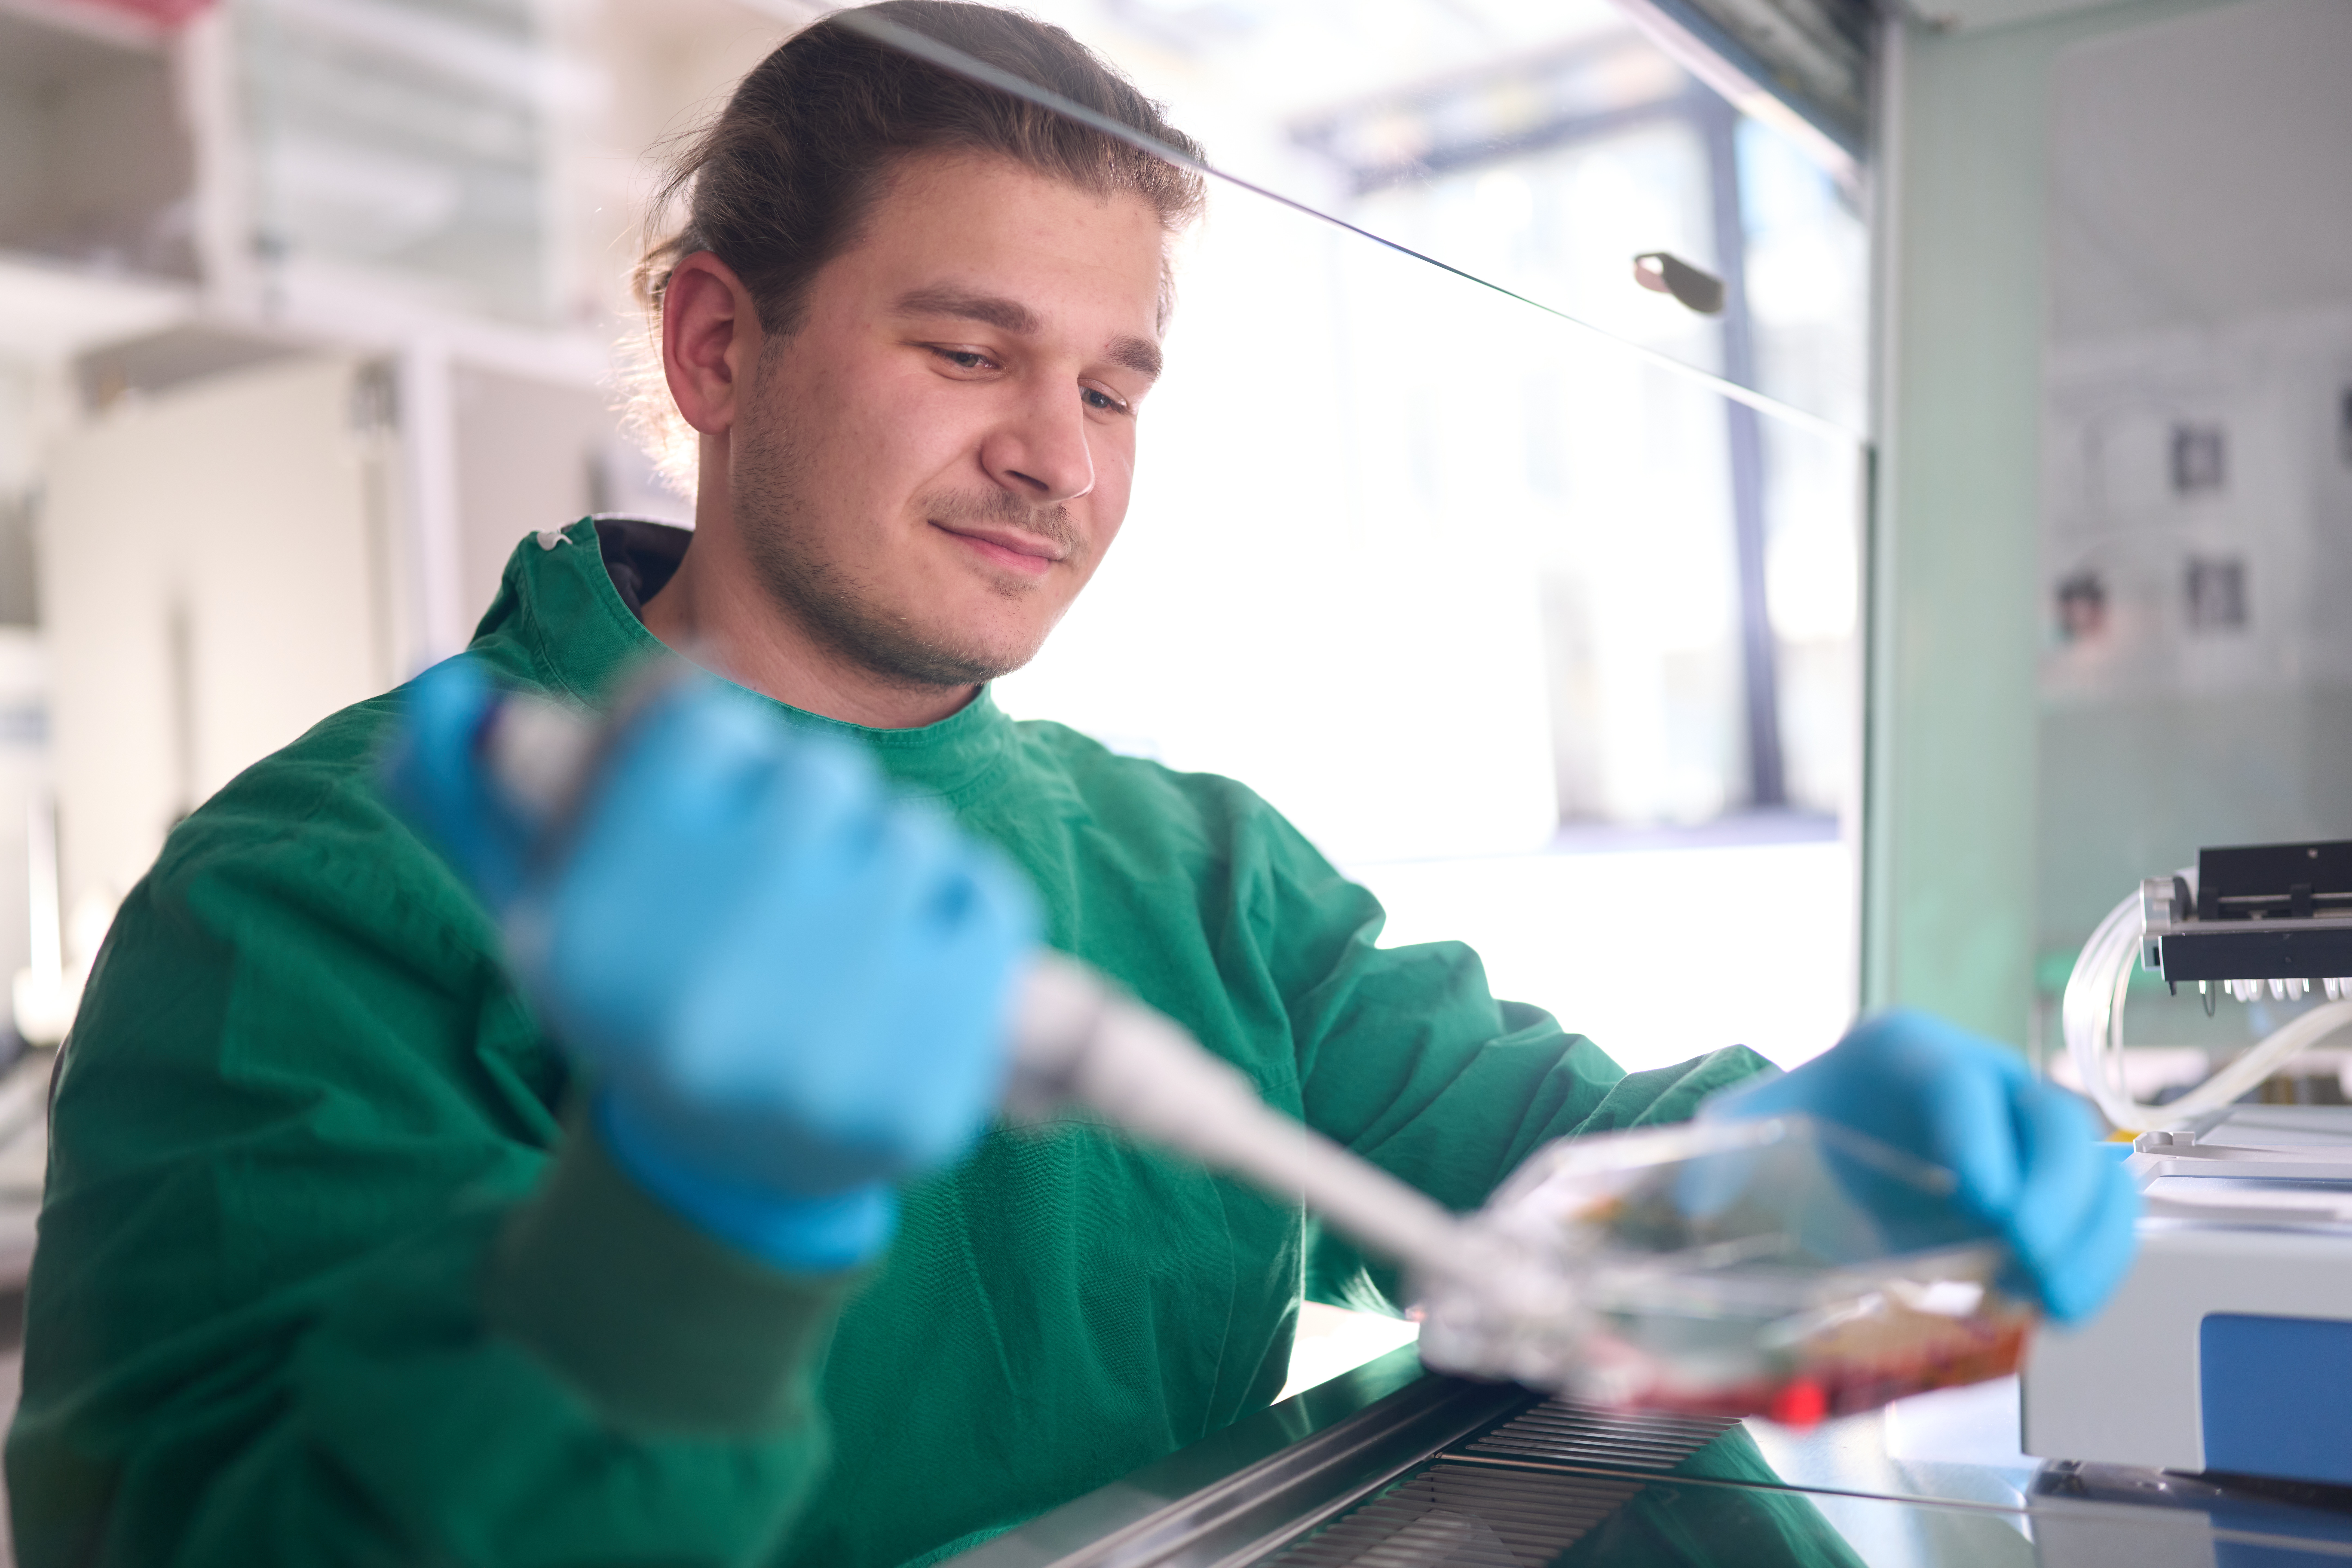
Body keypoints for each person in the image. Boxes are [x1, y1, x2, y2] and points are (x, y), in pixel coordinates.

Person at [5, 6, 2135, 1566]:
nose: (1063, 455)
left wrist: (1804, 1173)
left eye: (1116, 383)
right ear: (714, 352)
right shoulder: (329, 883)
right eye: (970, 352)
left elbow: (1530, 1170)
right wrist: (680, 1239)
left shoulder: (1185, 866)